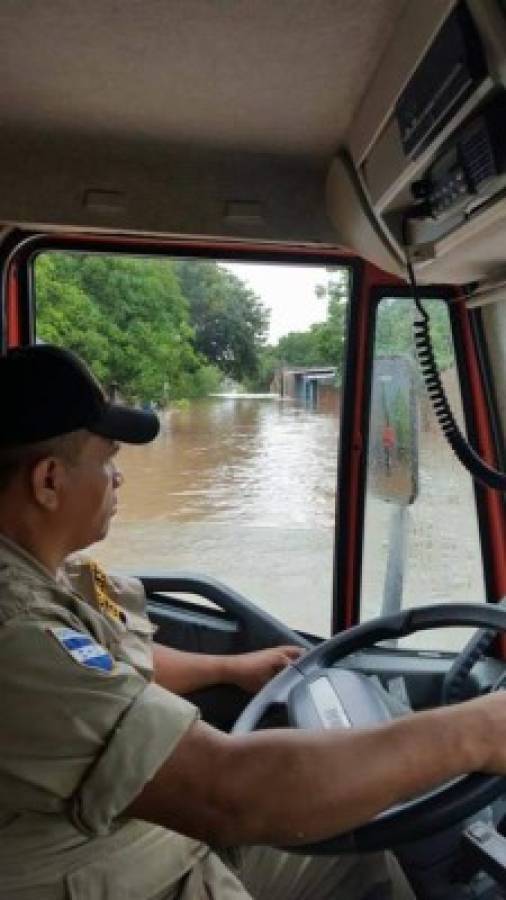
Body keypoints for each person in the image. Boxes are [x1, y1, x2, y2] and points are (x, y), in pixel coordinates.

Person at [0, 346, 504, 900]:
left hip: (143, 841)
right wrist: (476, 732)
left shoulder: (48, 577)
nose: (118, 479)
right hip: (128, 874)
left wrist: (229, 666)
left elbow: (117, 664)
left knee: (361, 856)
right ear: (48, 481)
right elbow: (229, 794)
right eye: (107, 459)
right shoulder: (18, 636)